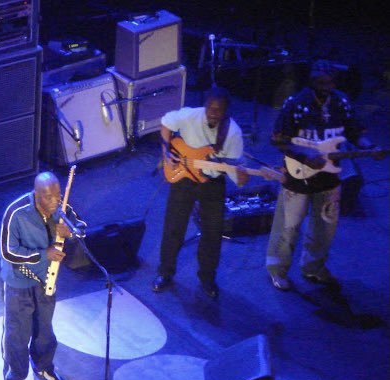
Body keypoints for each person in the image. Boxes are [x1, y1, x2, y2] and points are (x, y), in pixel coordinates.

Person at [266, 60, 372, 290]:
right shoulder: (296, 104)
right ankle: (277, 270)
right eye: (321, 81)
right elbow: (278, 139)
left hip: (330, 178)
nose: (327, 85)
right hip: (299, 177)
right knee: (288, 226)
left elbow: (355, 130)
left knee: (325, 228)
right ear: (312, 81)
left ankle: (313, 268)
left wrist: (365, 144)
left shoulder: (341, 102)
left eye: (330, 81)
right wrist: (305, 156)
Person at [152, 86, 248, 298]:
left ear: (226, 110)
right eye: (210, 108)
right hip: (184, 177)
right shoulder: (189, 116)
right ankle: (165, 273)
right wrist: (166, 151)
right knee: (173, 227)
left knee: (212, 232)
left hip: (212, 183)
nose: (213, 112)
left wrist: (242, 175)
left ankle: (207, 278)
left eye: (219, 109)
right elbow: (166, 123)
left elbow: (236, 170)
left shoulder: (232, 133)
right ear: (205, 106)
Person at [0, 171, 86, 380]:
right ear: (36, 195)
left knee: (44, 328)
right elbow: (8, 252)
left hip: (47, 279)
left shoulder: (61, 207)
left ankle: (44, 366)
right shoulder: (16, 212)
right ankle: (14, 378)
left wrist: (71, 232)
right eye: (48, 197)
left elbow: (81, 227)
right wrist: (44, 254)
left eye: (58, 195)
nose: (55, 201)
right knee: (18, 331)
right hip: (19, 281)